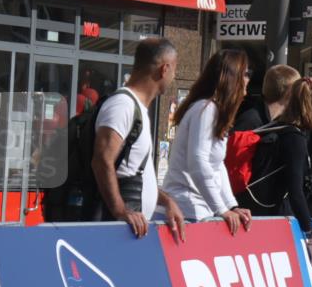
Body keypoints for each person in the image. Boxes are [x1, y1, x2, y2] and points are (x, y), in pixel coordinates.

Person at [92, 37, 185, 241]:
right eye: (175, 70)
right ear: (164, 69)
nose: (174, 77)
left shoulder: (138, 108)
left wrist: (166, 201)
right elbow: (101, 160)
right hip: (119, 230)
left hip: (132, 228)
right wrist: (120, 211)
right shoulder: (123, 106)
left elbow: (133, 169)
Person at [232, 64, 312, 220]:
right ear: (290, 93)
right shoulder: (253, 122)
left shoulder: (281, 126)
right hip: (253, 215)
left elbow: (304, 177)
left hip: (267, 212)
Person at [162, 49, 252, 235]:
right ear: (232, 78)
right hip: (187, 211)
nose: (248, 79)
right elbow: (198, 162)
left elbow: (217, 166)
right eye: (245, 73)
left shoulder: (213, 111)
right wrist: (222, 209)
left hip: (197, 210)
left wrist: (231, 206)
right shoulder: (206, 110)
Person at [267, 77, 312, 268]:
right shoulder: (295, 138)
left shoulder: (278, 126)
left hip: (262, 214)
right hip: (277, 218)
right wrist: (311, 236)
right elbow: (296, 191)